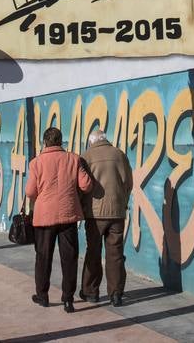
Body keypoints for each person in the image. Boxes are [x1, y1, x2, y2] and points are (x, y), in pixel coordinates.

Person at [26, 126, 92, 312]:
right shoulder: (74, 159)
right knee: (69, 258)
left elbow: (30, 191)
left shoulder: (36, 163)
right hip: (68, 215)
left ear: (44, 142)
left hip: (44, 217)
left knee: (43, 257)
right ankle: (68, 299)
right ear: (61, 141)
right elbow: (86, 185)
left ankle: (42, 295)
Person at [79, 130, 133, 307]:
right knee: (115, 254)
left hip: (94, 215)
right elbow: (128, 183)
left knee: (93, 252)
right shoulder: (119, 155)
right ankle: (116, 294)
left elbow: (82, 186)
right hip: (117, 212)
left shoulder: (86, 157)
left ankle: (90, 292)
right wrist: (122, 202)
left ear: (91, 141)